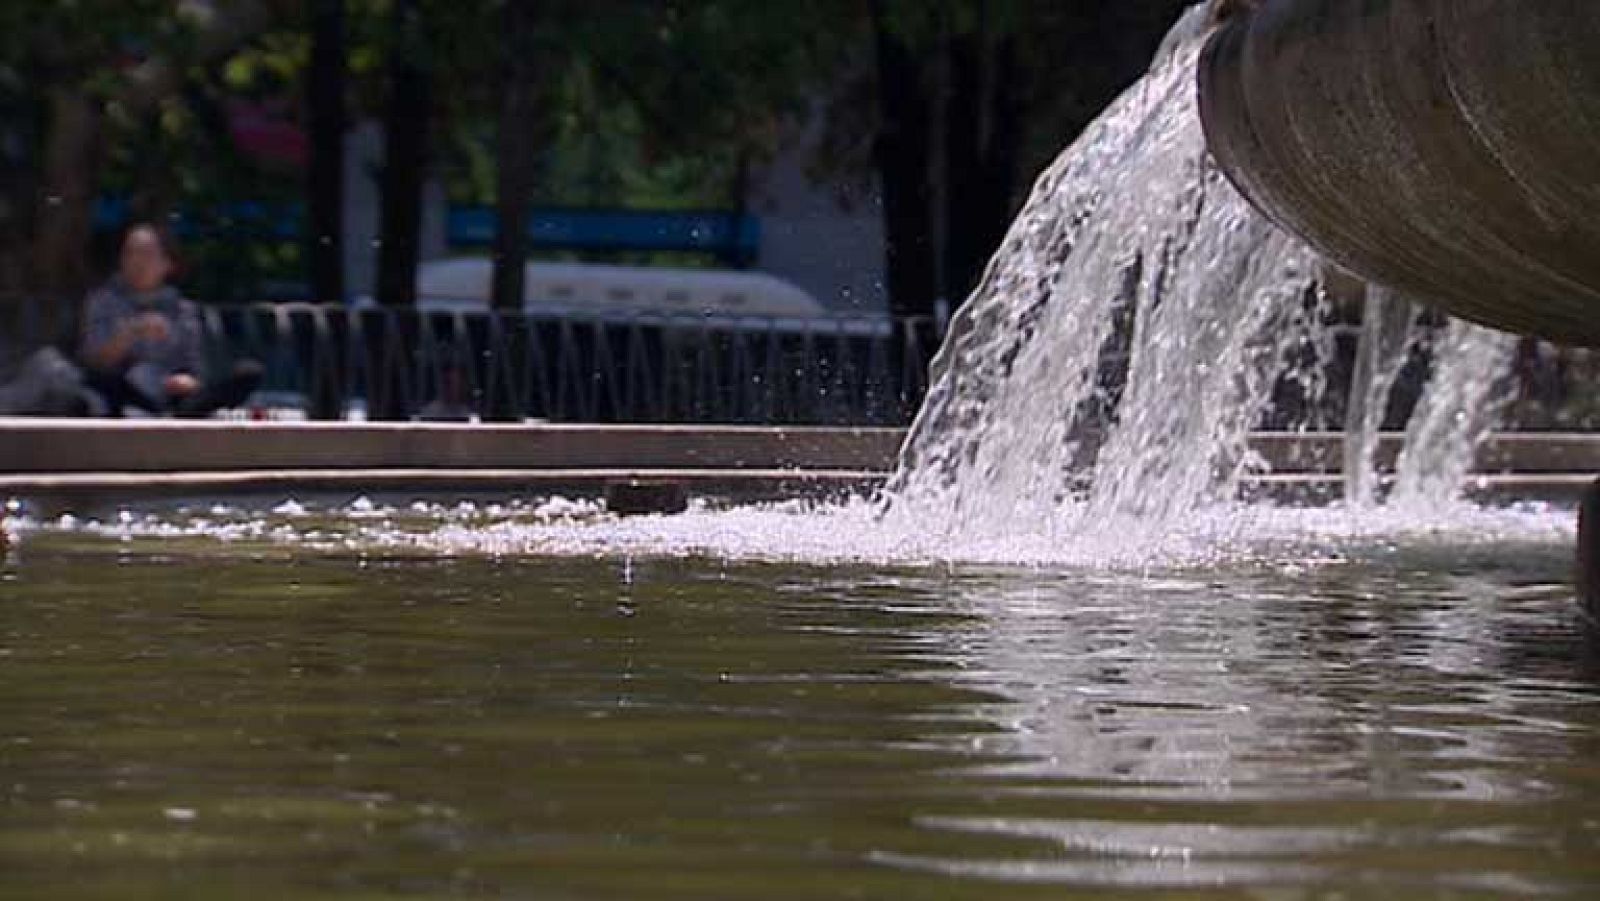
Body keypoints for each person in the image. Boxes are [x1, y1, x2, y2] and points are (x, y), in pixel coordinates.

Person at [79, 223, 261, 417]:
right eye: (130, 253)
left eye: (147, 255)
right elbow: (94, 362)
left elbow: (194, 367)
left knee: (246, 374)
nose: (137, 262)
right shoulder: (103, 301)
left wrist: (186, 380)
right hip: (118, 391)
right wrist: (129, 333)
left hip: (167, 391)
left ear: (167, 263)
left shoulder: (182, 310)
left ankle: (185, 411)